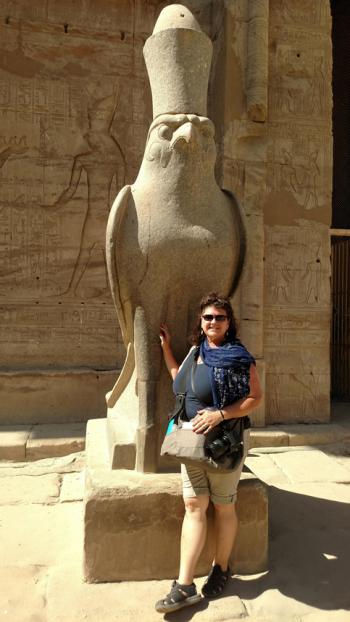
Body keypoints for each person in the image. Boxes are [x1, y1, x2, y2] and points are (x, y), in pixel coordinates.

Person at [155, 292, 263, 614]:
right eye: (208, 317)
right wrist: (164, 348)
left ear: (229, 324)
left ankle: (222, 567)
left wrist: (220, 414)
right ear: (200, 324)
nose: (213, 322)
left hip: (223, 446)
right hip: (190, 445)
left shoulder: (239, 358)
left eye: (219, 317)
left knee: (223, 507)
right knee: (193, 505)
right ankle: (184, 585)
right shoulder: (194, 353)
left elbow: (255, 398)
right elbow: (178, 381)